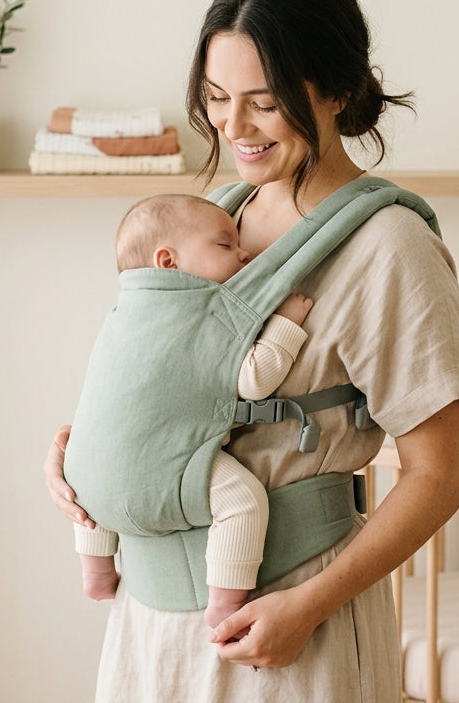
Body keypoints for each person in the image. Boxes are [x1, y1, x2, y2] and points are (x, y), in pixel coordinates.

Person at [45, 0, 459, 701]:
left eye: (265, 102)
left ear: (337, 91)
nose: (233, 126)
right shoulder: (210, 221)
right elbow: (154, 383)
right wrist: (82, 459)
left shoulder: (390, 248)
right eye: (217, 97)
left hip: (292, 617)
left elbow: (436, 477)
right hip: (151, 620)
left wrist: (307, 607)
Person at [73, 192, 314, 632]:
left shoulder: (123, 313)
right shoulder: (201, 313)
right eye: (225, 245)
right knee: (243, 501)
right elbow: (253, 380)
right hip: (163, 463)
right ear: (169, 262)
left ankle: (96, 570)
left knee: (94, 485)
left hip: (88, 469)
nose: (244, 254)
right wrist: (286, 324)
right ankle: (225, 600)